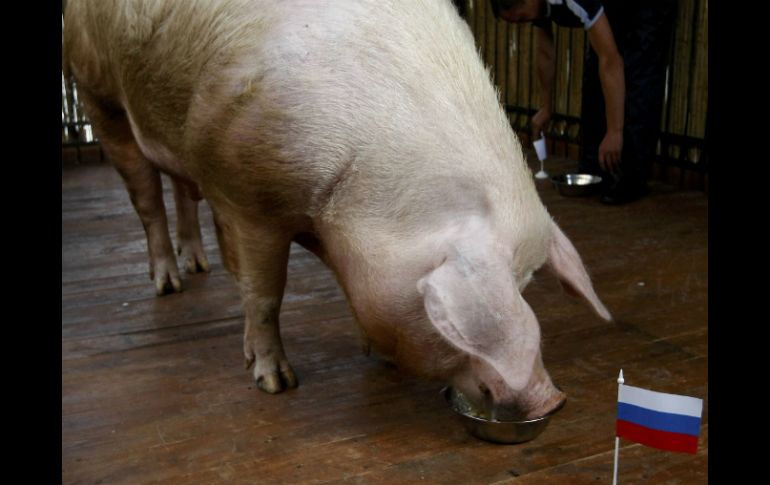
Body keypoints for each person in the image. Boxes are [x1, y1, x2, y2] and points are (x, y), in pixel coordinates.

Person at [492, 0, 676, 204]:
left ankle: (632, 177)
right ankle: (594, 169)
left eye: (521, 18)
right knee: (595, 71)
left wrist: (614, 132)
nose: (523, 24)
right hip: (617, 6)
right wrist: (546, 107)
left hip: (647, 5)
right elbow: (546, 53)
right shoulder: (536, 6)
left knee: (640, 73)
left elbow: (611, 61)